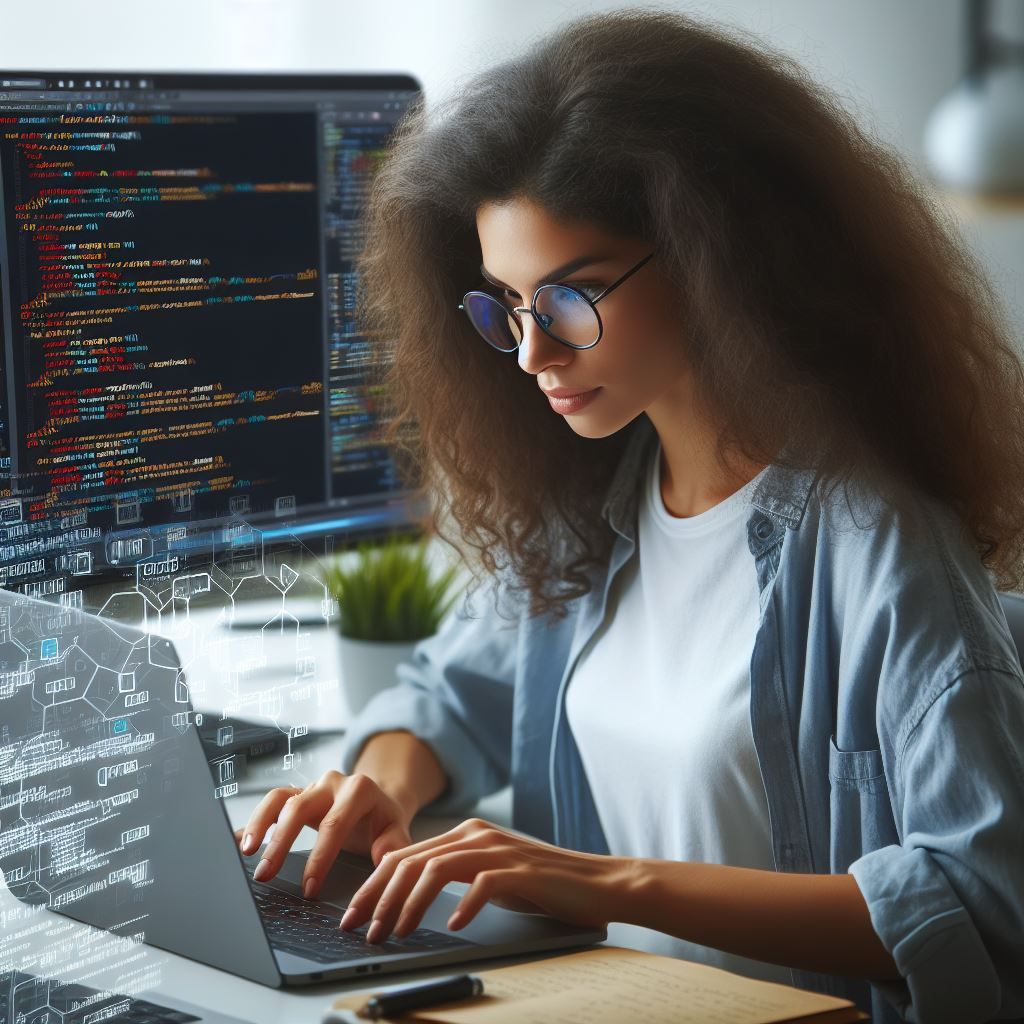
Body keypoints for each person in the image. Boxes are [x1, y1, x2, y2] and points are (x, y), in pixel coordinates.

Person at [237, 9, 1024, 1022]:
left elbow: (981, 900)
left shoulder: (879, 544)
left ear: (718, 258)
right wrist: (382, 787)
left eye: (572, 300)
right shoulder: (589, 505)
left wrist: (608, 882)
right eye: (506, 306)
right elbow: (453, 695)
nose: (530, 355)